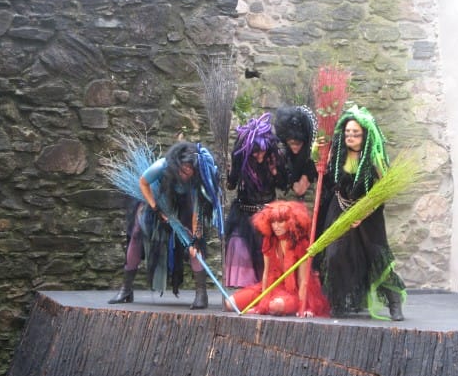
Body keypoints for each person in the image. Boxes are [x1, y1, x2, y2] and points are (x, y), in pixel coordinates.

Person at [108, 140, 223, 309]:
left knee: (193, 244)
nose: (186, 173)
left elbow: (196, 210)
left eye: (190, 170)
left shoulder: (198, 178)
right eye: (184, 169)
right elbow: (143, 182)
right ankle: (125, 289)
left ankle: (201, 295)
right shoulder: (162, 166)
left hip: (184, 207)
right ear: (176, 164)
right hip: (156, 202)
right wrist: (155, 208)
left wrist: (196, 239)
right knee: (137, 233)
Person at [319, 105, 406, 320]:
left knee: (376, 256)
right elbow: (323, 173)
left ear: (365, 135)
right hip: (340, 208)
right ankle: (340, 302)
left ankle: (394, 302)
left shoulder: (374, 159)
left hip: (368, 213)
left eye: (355, 133)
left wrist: (363, 213)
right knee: (335, 254)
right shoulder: (336, 154)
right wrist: (316, 153)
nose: (350, 137)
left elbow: (384, 191)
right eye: (347, 132)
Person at [224, 200, 330, 317]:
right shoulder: (269, 241)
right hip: (271, 288)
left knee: (275, 306)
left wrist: (302, 307)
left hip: (294, 293)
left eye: (280, 221)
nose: (276, 226)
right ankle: (266, 305)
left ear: (290, 222)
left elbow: (302, 280)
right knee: (230, 303)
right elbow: (266, 273)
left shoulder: (300, 244)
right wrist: (263, 302)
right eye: (273, 222)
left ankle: (276, 305)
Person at [224, 113, 288, 288]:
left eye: (262, 151)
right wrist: (226, 173)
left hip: (268, 215)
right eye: (255, 152)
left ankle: (265, 290)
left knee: (266, 253)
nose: (260, 156)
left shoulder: (274, 159)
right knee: (238, 245)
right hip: (244, 214)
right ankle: (245, 291)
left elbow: (284, 185)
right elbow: (231, 185)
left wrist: (276, 173)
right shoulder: (241, 162)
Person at [273, 105, 318, 198]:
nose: (294, 147)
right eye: (291, 143)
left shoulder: (311, 159)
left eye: (298, 144)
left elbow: (299, 189)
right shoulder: (282, 153)